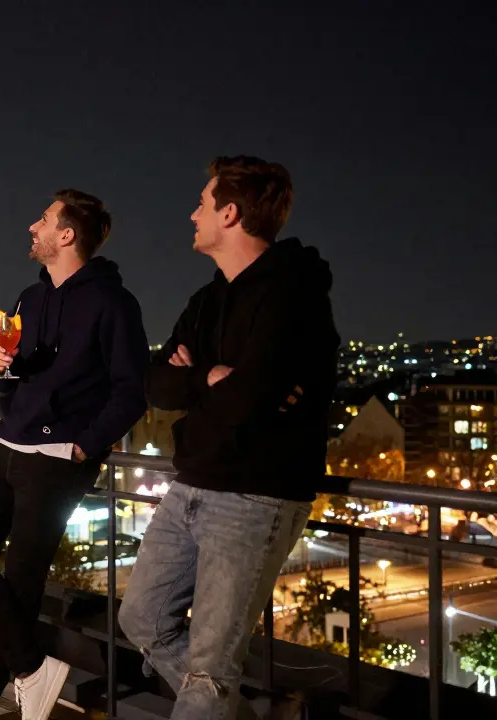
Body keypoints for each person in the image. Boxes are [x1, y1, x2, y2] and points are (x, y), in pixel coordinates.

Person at [118, 156, 338, 720]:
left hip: (255, 495)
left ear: (231, 213)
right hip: (191, 483)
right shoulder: (208, 300)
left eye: (202, 202)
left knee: (210, 671)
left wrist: (216, 384)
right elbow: (156, 382)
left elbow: (252, 398)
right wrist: (209, 378)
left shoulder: (294, 293)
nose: (193, 213)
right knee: (141, 620)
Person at [0, 191, 149, 720]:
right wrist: (2, 366)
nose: (33, 226)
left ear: (67, 235)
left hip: (59, 456)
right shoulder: (28, 300)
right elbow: (11, 383)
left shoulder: (112, 302)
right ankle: (33, 667)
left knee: (21, 582)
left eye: (44, 219)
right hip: (9, 445)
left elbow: (132, 389)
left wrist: (86, 442)